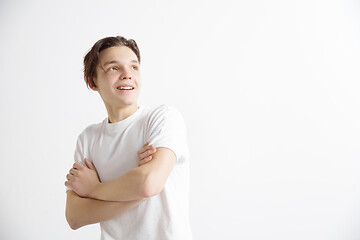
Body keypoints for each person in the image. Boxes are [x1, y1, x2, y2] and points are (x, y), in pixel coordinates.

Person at [64, 36, 192, 240]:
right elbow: (75, 216)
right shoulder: (88, 138)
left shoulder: (162, 119)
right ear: (93, 82)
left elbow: (148, 184)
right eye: (113, 68)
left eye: (134, 67)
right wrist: (137, 190)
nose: (127, 75)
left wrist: (95, 189)